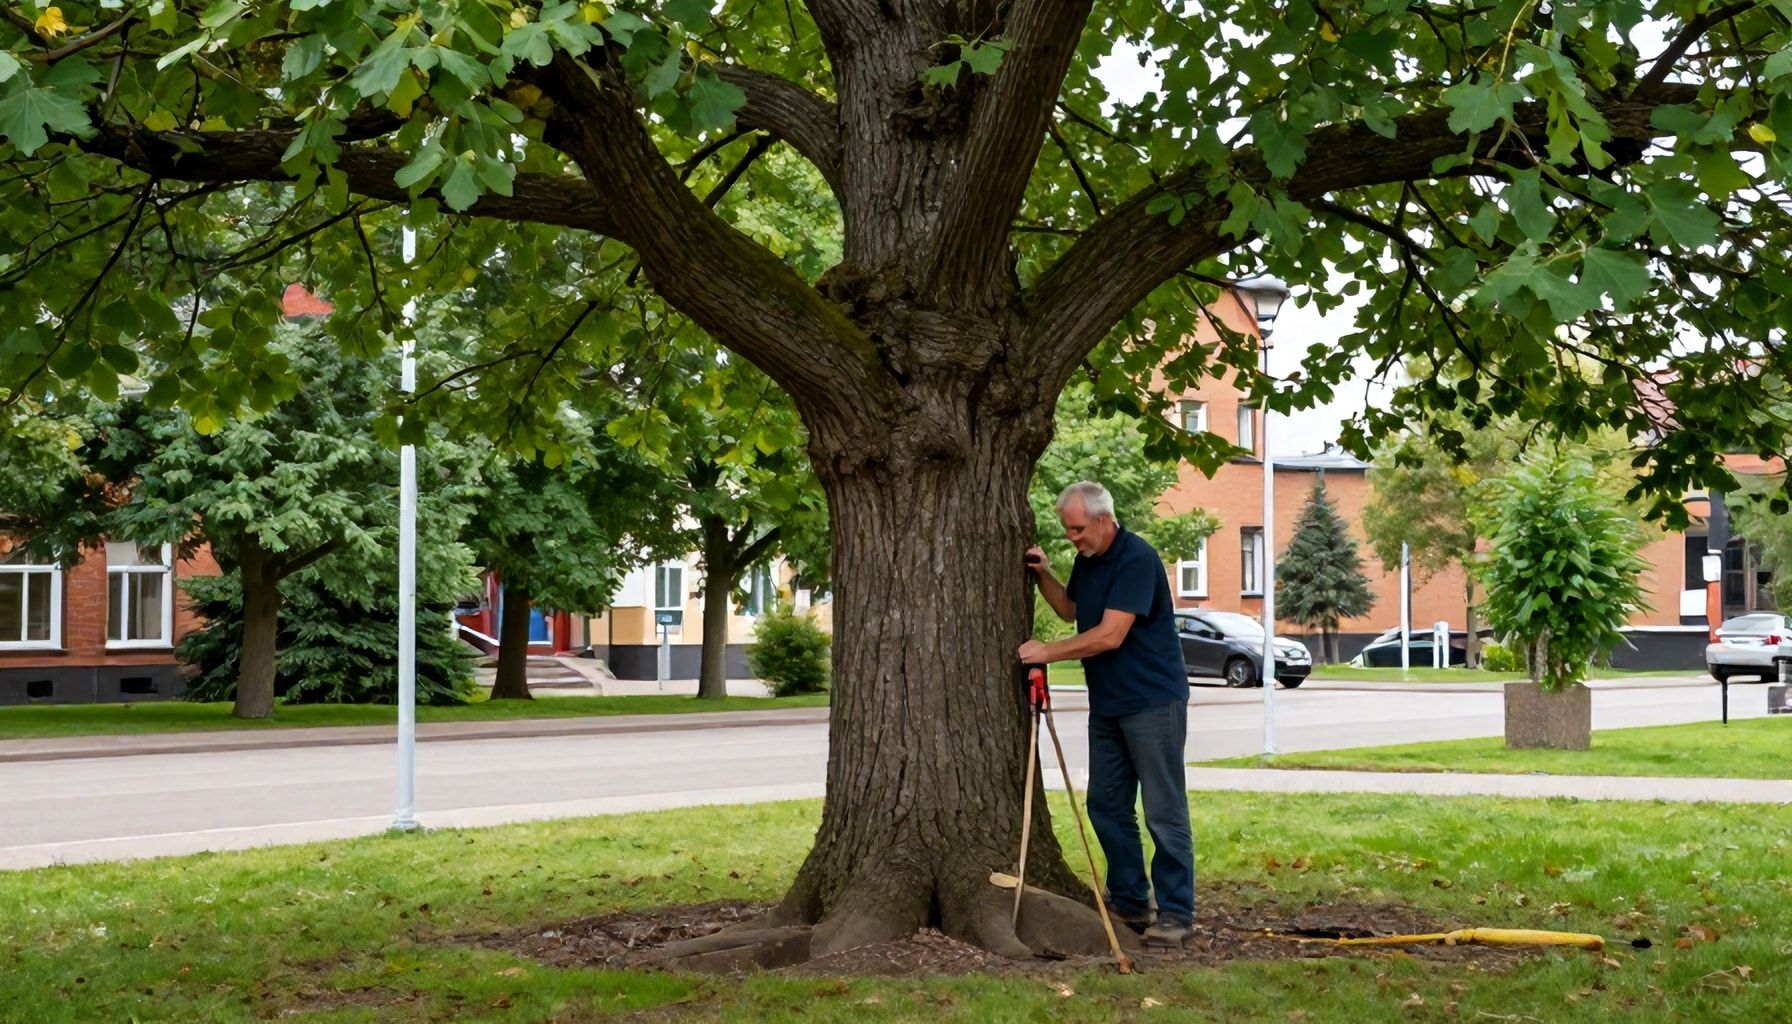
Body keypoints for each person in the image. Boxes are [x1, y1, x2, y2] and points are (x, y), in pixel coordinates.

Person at [1016, 480, 1195, 946]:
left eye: (1077, 529)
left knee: (1163, 809)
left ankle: (1176, 912)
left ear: (1102, 519)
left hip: (1153, 702)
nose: (1071, 537)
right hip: (1110, 703)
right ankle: (1131, 900)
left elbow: (1109, 635)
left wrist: (1045, 653)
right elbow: (1073, 609)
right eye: (1067, 530)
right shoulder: (1087, 560)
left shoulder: (1136, 558)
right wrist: (1044, 573)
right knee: (1106, 805)